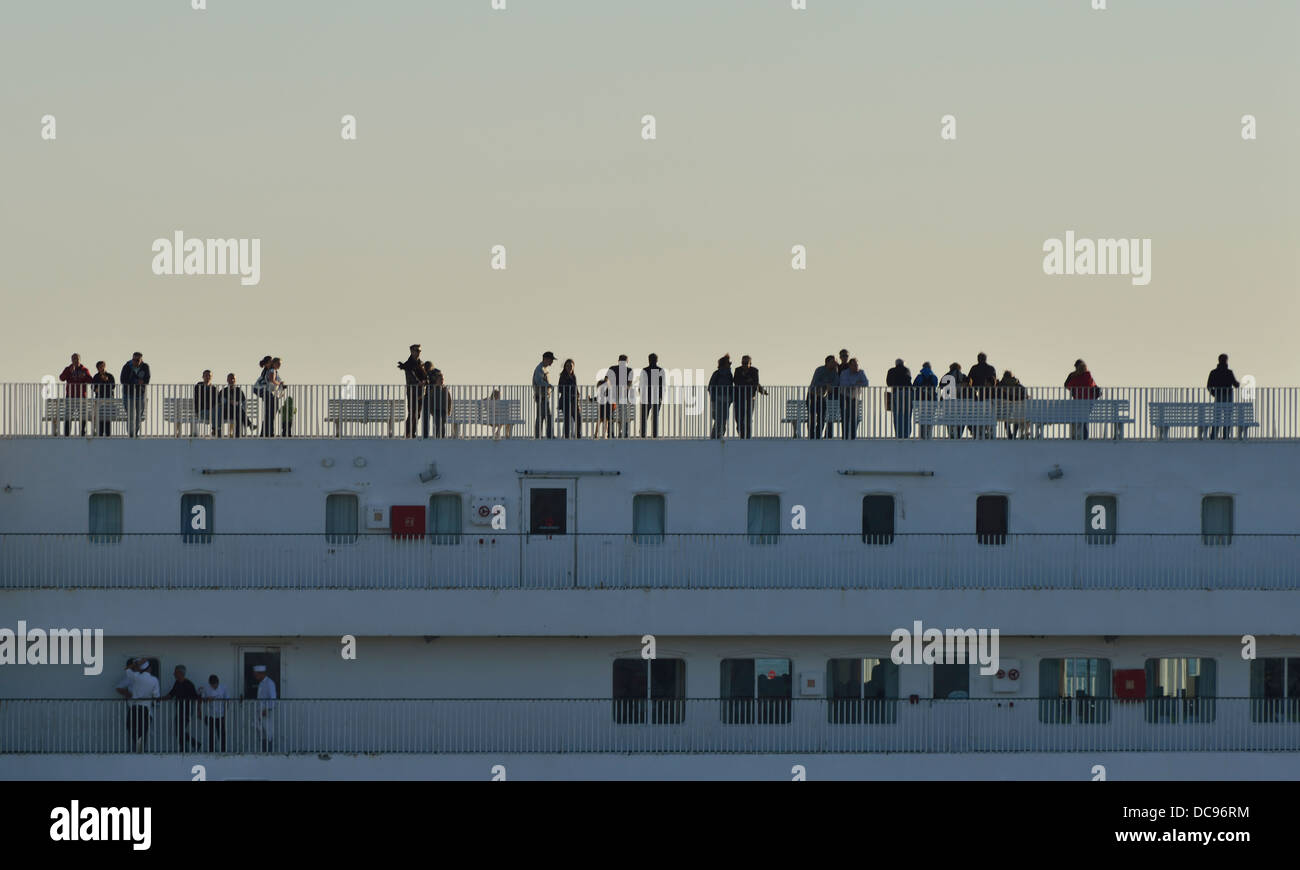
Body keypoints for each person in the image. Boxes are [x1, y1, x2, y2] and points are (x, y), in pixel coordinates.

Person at [115, 658, 159, 752]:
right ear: (149, 668)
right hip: (146, 709)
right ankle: (140, 749)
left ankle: (138, 748)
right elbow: (156, 696)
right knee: (143, 730)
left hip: (134, 708)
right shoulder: (154, 680)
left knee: (132, 728)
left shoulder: (135, 677)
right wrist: (155, 703)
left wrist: (136, 664)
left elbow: (127, 669)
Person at [165, 665, 202, 751]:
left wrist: (198, 710)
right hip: (179, 710)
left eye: (175, 672)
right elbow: (171, 694)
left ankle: (191, 745)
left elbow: (196, 697)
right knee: (178, 730)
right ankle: (188, 746)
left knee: (180, 730)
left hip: (187, 711)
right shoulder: (177, 683)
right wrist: (159, 698)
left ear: (180, 673)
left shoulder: (189, 684)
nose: (173, 674)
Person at [732, 355, 768, 439]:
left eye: (746, 363)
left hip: (750, 397)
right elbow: (736, 382)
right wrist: (748, 381)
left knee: (748, 418)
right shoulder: (738, 370)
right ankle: (742, 434)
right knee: (739, 418)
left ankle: (747, 437)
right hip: (739, 397)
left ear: (750, 363)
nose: (744, 365)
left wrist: (746, 380)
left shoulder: (754, 371)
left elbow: (755, 383)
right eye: (742, 363)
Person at [1205, 353, 1240, 440]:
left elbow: (1209, 386)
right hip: (1228, 397)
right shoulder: (1229, 372)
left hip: (1218, 396)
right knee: (1228, 417)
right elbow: (1236, 385)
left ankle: (1213, 436)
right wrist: (1238, 383)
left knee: (1217, 417)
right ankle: (1226, 436)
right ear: (1226, 360)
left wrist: (1214, 393)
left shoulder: (1213, 372)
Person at [1064, 359, 1100, 440]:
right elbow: (1095, 387)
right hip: (1089, 403)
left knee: (1077, 419)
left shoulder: (1074, 376)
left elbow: (1067, 385)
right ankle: (1085, 438)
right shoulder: (1088, 376)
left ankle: (1075, 436)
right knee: (1084, 420)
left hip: (1078, 402)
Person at [58, 353, 92, 436]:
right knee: (68, 415)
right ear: (71, 360)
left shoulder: (84, 370)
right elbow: (61, 378)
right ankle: (67, 433)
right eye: (73, 359)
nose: (75, 360)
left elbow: (90, 380)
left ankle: (82, 432)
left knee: (83, 416)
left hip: (82, 397)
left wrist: (84, 376)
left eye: (76, 359)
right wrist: (69, 372)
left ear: (80, 360)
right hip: (70, 396)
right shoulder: (68, 369)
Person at [397, 344, 427, 439]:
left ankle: (412, 432)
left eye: (419, 351)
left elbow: (425, 376)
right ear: (411, 351)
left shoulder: (421, 363)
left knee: (417, 414)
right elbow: (411, 377)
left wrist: (425, 382)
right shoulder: (408, 364)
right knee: (412, 413)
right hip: (412, 391)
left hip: (420, 391)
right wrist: (419, 383)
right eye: (416, 351)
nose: (418, 353)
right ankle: (408, 433)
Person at [120, 352, 150, 438]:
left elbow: (147, 380)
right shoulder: (126, 367)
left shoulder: (145, 367)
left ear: (141, 360)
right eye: (134, 359)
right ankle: (130, 433)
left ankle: (135, 433)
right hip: (128, 394)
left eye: (137, 360)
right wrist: (136, 382)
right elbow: (123, 380)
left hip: (140, 394)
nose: (135, 361)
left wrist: (142, 382)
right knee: (131, 415)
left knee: (139, 415)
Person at [968, 352, 998, 439]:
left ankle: (977, 431)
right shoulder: (991, 368)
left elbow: (970, 380)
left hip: (979, 394)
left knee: (975, 414)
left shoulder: (974, 368)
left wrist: (974, 390)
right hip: (989, 395)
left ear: (978, 359)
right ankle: (985, 431)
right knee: (986, 414)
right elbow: (994, 380)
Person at [808, 356, 838, 439]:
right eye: (833, 362)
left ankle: (817, 436)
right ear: (827, 362)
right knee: (812, 417)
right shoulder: (819, 370)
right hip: (812, 395)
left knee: (821, 418)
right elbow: (815, 382)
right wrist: (826, 384)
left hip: (822, 397)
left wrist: (830, 386)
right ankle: (811, 436)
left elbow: (836, 383)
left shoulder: (835, 372)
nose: (834, 363)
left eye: (835, 362)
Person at [839, 358, 868, 440]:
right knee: (845, 417)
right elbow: (843, 384)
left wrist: (853, 385)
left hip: (854, 397)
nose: (856, 367)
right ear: (850, 365)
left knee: (854, 417)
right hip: (844, 397)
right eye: (854, 365)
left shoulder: (861, 372)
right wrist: (856, 384)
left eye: (857, 365)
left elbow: (866, 383)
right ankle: (845, 436)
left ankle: (852, 437)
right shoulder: (844, 373)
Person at [199, 674, 228, 752]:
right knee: (211, 733)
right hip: (210, 714)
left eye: (215, 684)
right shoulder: (206, 688)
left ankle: (223, 750)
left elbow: (227, 700)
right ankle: (211, 750)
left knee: (221, 733)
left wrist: (225, 712)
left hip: (220, 714)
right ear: (210, 683)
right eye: (212, 685)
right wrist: (207, 699)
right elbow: (202, 699)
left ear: (218, 683)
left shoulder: (223, 688)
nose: (214, 686)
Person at [607, 355, 634, 438]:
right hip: (623, 396)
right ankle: (624, 433)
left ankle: (611, 433)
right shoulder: (629, 370)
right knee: (623, 415)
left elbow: (606, 380)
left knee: (612, 415)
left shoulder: (612, 368)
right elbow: (629, 383)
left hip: (613, 395)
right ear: (627, 362)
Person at [708, 355, 733, 439]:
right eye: (728, 363)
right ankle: (715, 436)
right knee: (719, 419)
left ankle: (719, 435)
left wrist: (730, 398)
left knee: (723, 419)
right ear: (724, 364)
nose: (730, 364)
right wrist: (714, 400)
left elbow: (730, 387)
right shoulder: (717, 373)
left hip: (726, 400)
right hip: (718, 400)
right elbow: (710, 387)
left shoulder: (729, 374)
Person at [886, 359, 912, 439]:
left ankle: (899, 434)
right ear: (903, 364)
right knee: (907, 414)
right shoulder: (906, 370)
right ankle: (906, 434)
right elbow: (909, 380)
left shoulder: (891, 370)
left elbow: (888, 383)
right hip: (907, 393)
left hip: (896, 393)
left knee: (897, 414)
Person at [938, 363, 967, 439]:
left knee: (949, 417)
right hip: (960, 403)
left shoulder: (947, 376)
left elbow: (940, 386)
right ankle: (959, 434)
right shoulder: (963, 376)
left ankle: (951, 433)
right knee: (961, 418)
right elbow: (969, 385)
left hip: (948, 402)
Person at [640, 353, 665, 438]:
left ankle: (643, 433)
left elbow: (641, 383)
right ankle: (654, 434)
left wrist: (641, 394)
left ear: (648, 360)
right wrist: (661, 396)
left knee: (644, 416)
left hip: (646, 396)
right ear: (657, 360)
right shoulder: (660, 370)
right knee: (655, 416)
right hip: (656, 396)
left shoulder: (645, 370)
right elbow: (662, 384)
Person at [218, 373, 250, 438]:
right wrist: (230, 402)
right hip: (225, 412)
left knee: (238, 415)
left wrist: (241, 407)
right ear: (227, 380)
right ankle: (249, 423)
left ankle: (238, 435)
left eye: (233, 379)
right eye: (230, 379)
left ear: (235, 380)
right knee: (238, 411)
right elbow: (220, 402)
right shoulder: (223, 391)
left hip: (236, 413)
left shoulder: (239, 391)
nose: (232, 380)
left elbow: (244, 402)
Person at [253, 665, 277, 752]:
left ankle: (269, 752)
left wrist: (267, 709)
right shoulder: (261, 683)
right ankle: (264, 752)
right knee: (261, 733)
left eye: (256, 675)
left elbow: (273, 699)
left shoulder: (269, 683)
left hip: (266, 712)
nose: (255, 677)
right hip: (260, 711)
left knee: (268, 733)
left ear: (261, 674)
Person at [997, 369, 1027, 439]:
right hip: (1017, 409)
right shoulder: (1018, 385)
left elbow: (999, 395)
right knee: (1016, 418)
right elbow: (1024, 395)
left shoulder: (1001, 385)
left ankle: (1009, 435)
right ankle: (1014, 435)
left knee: (1006, 419)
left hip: (1004, 410)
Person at [912, 362, 938, 440]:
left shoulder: (919, 377)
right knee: (930, 418)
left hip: (921, 400)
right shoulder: (934, 377)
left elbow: (914, 386)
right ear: (930, 368)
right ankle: (929, 435)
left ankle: (922, 435)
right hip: (931, 401)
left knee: (922, 418)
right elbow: (935, 385)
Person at [90, 361, 116, 437]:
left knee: (107, 418)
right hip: (99, 399)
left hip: (108, 399)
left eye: (102, 366)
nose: (101, 368)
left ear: (105, 366)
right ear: (97, 368)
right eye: (99, 367)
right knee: (100, 418)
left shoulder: (110, 376)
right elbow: (92, 387)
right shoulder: (96, 376)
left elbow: (113, 386)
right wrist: (95, 389)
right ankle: (100, 434)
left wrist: (107, 380)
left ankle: (108, 434)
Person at [533, 352, 555, 439]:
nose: (552, 362)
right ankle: (543, 435)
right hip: (541, 396)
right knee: (543, 416)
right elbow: (538, 381)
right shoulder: (540, 368)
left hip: (544, 396)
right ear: (546, 359)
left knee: (544, 416)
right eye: (551, 359)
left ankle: (543, 435)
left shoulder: (543, 368)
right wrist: (548, 385)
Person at [558, 359, 581, 439]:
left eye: (571, 366)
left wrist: (577, 395)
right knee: (567, 419)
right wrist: (569, 393)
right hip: (566, 401)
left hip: (574, 401)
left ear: (573, 367)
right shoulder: (562, 376)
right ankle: (567, 436)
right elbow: (560, 389)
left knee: (578, 418)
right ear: (565, 367)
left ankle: (578, 436)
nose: (569, 367)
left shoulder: (574, 376)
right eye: (567, 366)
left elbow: (575, 388)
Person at [427, 367, 451, 439]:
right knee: (437, 423)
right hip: (436, 409)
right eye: (440, 380)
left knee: (442, 423)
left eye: (442, 380)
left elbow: (449, 400)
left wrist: (449, 409)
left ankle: (442, 437)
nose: (441, 381)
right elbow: (430, 400)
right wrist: (431, 410)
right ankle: (437, 436)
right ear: (436, 380)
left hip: (443, 409)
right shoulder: (433, 390)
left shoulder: (445, 389)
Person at [194, 370, 219, 437]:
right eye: (206, 376)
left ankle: (215, 430)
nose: (207, 377)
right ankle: (216, 430)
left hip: (211, 411)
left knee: (218, 412)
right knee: (216, 413)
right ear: (203, 377)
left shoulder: (214, 389)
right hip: (201, 411)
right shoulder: (199, 387)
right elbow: (200, 399)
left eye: (209, 376)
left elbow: (216, 400)